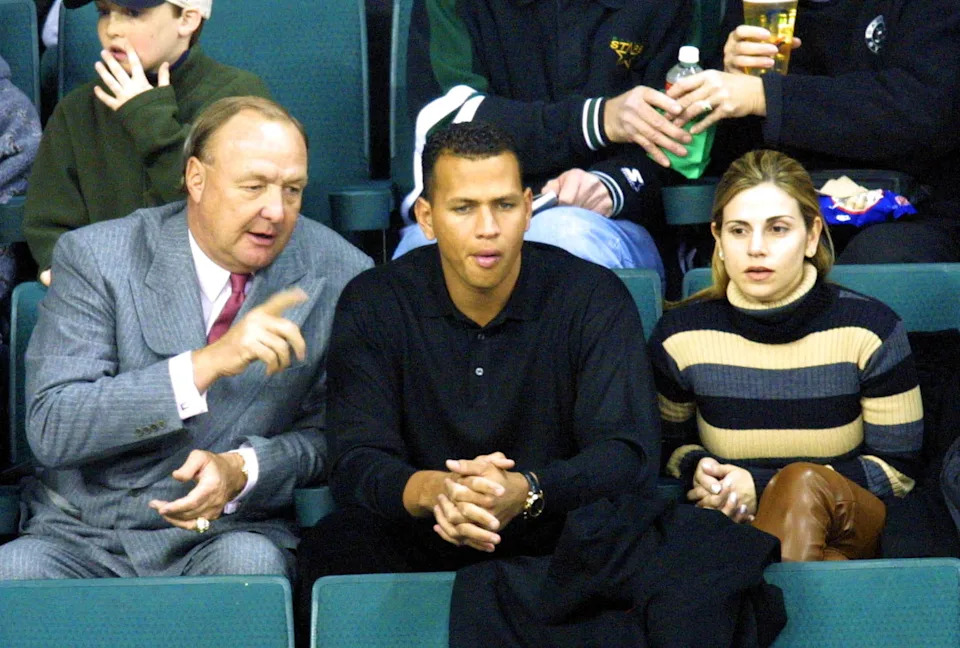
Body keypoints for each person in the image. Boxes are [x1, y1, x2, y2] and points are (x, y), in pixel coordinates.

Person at [296, 120, 660, 628]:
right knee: (337, 546)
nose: (487, 228)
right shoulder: (376, 300)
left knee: (646, 539)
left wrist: (528, 490)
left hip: (553, 531)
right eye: (463, 208)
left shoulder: (591, 296)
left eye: (505, 205)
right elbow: (356, 458)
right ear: (426, 216)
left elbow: (626, 451)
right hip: (423, 528)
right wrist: (437, 493)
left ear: (530, 208)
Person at [0, 96, 372, 579]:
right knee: (15, 574)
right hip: (83, 531)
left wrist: (245, 469)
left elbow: (334, 437)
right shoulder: (98, 257)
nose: (276, 211)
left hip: (223, 532)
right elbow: (53, 427)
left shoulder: (343, 275)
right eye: (254, 186)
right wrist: (205, 364)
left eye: (293, 190)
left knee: (252, 566)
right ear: (196, 179)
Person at [648, 149, 923, 561]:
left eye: (778, 229)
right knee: (820, 561)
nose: (756, 248)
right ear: (717, 240)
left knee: (801, 485)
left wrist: (762, 487)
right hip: (733, 526)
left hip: (852, 523)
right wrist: (703, 472)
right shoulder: (680, 336)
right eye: (739, 231)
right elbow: (668, 448)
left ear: (812, 236)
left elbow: (898, 471)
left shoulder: (871, 329)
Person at [393, 0, 698, 282]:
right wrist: (597, 120)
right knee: (422, 260)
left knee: (562, 239)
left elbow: (685, 143)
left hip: (610, 222)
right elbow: (448, 123)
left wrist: (613, 185)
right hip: (475, 206)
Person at [663, 0, 960, 263]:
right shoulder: (759, 9)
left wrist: (766, 97)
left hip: (910, 208)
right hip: (782, 201)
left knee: (882, 256)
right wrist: (731, 80)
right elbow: (727, 151)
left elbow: (924, 110)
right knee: (742, 252)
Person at [23, 0, 271, 286]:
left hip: (207, 293)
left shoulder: (239, 98)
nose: (112, 29)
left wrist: (150, 120)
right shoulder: (78, 109)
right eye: (104, 12)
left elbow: (229, 214)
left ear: (188, 19)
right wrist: (58, 265)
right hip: (101, 293)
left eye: (133, 13)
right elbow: (49, 223)